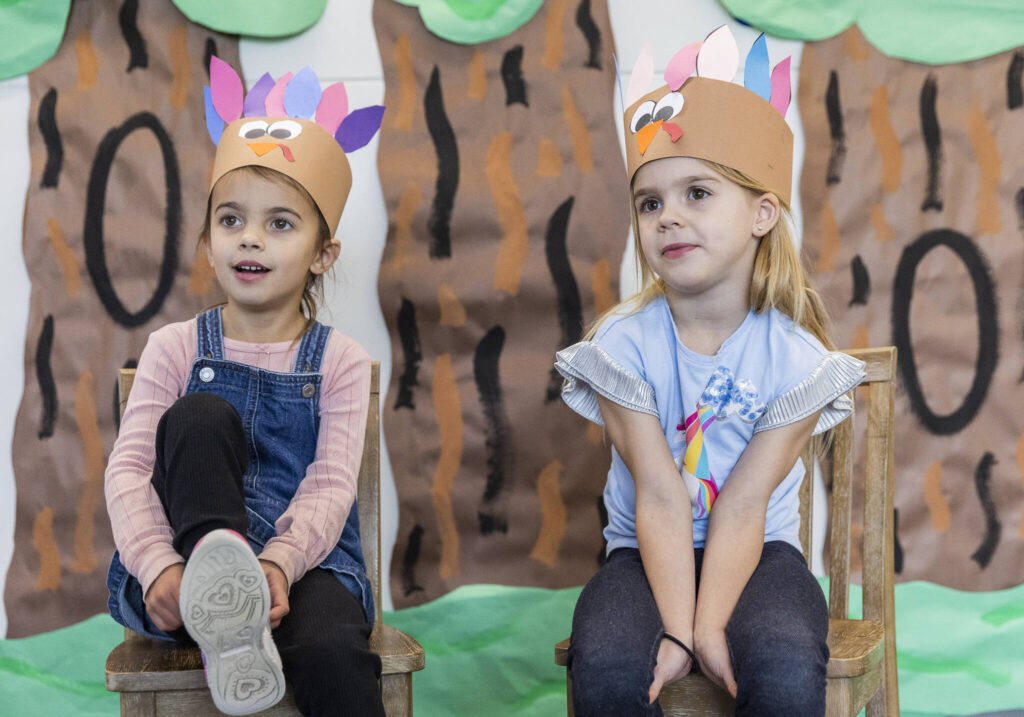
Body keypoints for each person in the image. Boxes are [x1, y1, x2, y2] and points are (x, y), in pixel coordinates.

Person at [554, 28, 865, 716]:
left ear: (762, 212)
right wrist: (678, 627)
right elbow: (660, 497)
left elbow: (746, 503)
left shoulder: (795, 360)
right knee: (602, 659)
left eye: (697, 193)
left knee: (783, 657)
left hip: (762, 555)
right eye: (651, 202)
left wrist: (708, 623)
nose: (670, 218)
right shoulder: (621, 347)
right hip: (642, 554)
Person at [104, 58, 385, 716]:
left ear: (323, 253)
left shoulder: (339, 360)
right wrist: (157, 565)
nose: (250, 238)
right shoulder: (174, 347)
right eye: (231, 221)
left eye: (280, 223)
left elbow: (330, 484)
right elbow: (129, 469)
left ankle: (241, 615)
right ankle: (219, 606)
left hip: (302, 569)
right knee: (199, 414)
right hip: (183, 574)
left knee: (332, 651)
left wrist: (281, 562)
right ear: (207, 243)